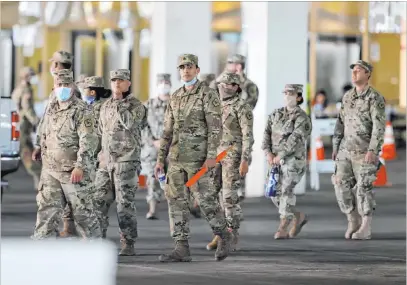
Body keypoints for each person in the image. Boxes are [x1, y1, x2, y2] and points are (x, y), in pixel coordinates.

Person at [154, 54, 232, 262]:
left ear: (197, 70)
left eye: (189, 67)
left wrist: (211, 157)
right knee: (176, 202)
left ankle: (224, 235)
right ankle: (181, 247)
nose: (185, 71)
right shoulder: (176, 96)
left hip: (198, 159)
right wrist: (161, 159)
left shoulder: (207, 95)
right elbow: (167, 131)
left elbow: (215, 128)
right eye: (182, 68)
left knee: (206, 201)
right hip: (177, 158)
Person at [31, 69, 101, 239]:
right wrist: (39, 146)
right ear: (54, 86)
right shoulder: (52, 106)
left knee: (83, 212)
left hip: (72, 171)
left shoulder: (82, 110)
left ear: (72, 86)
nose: (62, 88)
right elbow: (44, 127)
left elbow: (89, 141)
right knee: (46, 209)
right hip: (50, 169)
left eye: (66, 84)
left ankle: (94, 246)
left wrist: (80, 166)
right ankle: (42, 243)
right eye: (59, 84)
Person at [94, 69, 148, 255]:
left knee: (124, 204)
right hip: (106, 162)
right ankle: (97, 240)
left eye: (121, 80)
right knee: (98, 201)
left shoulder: (136, 106)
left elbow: (129, 123)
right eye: (114, 80)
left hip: (126, 161)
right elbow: (101, 132)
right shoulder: (105, 106)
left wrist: (120, 104)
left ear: (128, 83)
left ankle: (128, 242)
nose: (117, 83)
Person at [332, 60, 386, 240]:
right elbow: (340, 123)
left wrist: (373, 150)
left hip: (364, 151)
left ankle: (365, 226)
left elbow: (379, 127)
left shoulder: (374, 98)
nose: (354, 74)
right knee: (340, 184)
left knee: (363, 188)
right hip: (345, 150)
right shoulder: (348, 97)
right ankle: (352, 219)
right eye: (353, 71)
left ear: (368, 74)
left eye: (358, 71)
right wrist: (335, 145)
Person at [205, 72, 254, 252]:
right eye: (223, 83)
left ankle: (231, 233)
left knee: (228, 196)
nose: (226, 86)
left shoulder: (242, 107)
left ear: (236, 87)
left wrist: (245, 160)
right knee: (210, 195)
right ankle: (220, 231)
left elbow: (248, 135)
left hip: (232, 155)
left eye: (230, 84)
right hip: (214, 155)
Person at [59, 76, 111, 237]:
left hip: (96, 160)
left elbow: (106, 135)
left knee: (94, 200)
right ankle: (70, 227)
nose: (80, 92)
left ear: (93, 91)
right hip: (79, 158)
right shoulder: (80, 108)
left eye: (84, 89)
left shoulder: (103, 109)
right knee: (72, 195)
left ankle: (97, 235)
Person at [261, 84, 312, 239]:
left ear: (298, 97)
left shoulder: (302, 117)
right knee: (273, 193)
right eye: (285, 93)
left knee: (286, 190)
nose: (287, 96)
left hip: (293, 161)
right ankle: (297, 216)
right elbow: (266, 134)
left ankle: (283, 225)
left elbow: (295, 139)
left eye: (291, 93)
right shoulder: (276, 114)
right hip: (275, 161)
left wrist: (281, 155)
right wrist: (268, 153)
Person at [141, 73, 172, 219]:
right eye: (161, 82)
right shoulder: (148, 105)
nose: (163, 85)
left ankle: (178, 209)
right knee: (153, 177)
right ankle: (152, 209)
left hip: (172, 148)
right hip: (153, 148)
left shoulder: (176, 104)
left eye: (166, 82)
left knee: (174, 178)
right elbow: (142, 125)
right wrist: (153, 141)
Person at [11, 67, 42, 190]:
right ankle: (38, 175)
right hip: (23, 125)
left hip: (20, 124)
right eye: (32, 75)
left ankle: (38, 177)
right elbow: (27, 108)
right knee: (26, 151)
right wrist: (37, 121)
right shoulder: (25, 90)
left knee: (28, 149)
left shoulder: (19, 88)